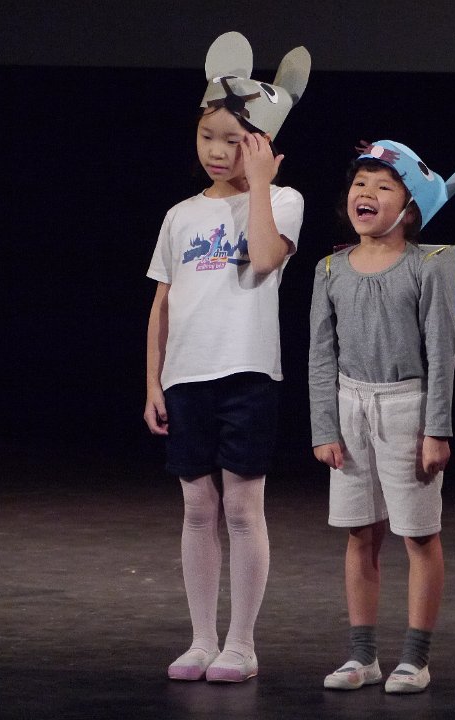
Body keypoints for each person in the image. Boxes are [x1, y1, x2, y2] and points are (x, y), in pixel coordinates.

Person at [143, 32, 309, 683]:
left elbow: (264, 258)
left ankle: (241, 643)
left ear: (260, 145)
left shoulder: (283, 200)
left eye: (234, 141)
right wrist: (154, 381)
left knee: (242, 508)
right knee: (196, 508)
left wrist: (261, 185)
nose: (217, 151)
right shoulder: (179, 215)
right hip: (186, 376)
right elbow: (162, 303)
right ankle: (201, 639)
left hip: (247, 375)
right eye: (208, 136)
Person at [309, 140, 455, 694]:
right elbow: (321, 355)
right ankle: (362, 656)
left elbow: (440, 353)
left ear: (409, 210)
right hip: (350, 406)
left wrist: (436, 430)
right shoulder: (330, 268)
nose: (366, 192)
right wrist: (324, 427)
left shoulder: (427, 265)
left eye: (384, 186)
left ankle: (415, 658)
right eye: (360, 183)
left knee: (419, 535)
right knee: (360, 533)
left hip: (408, 406)